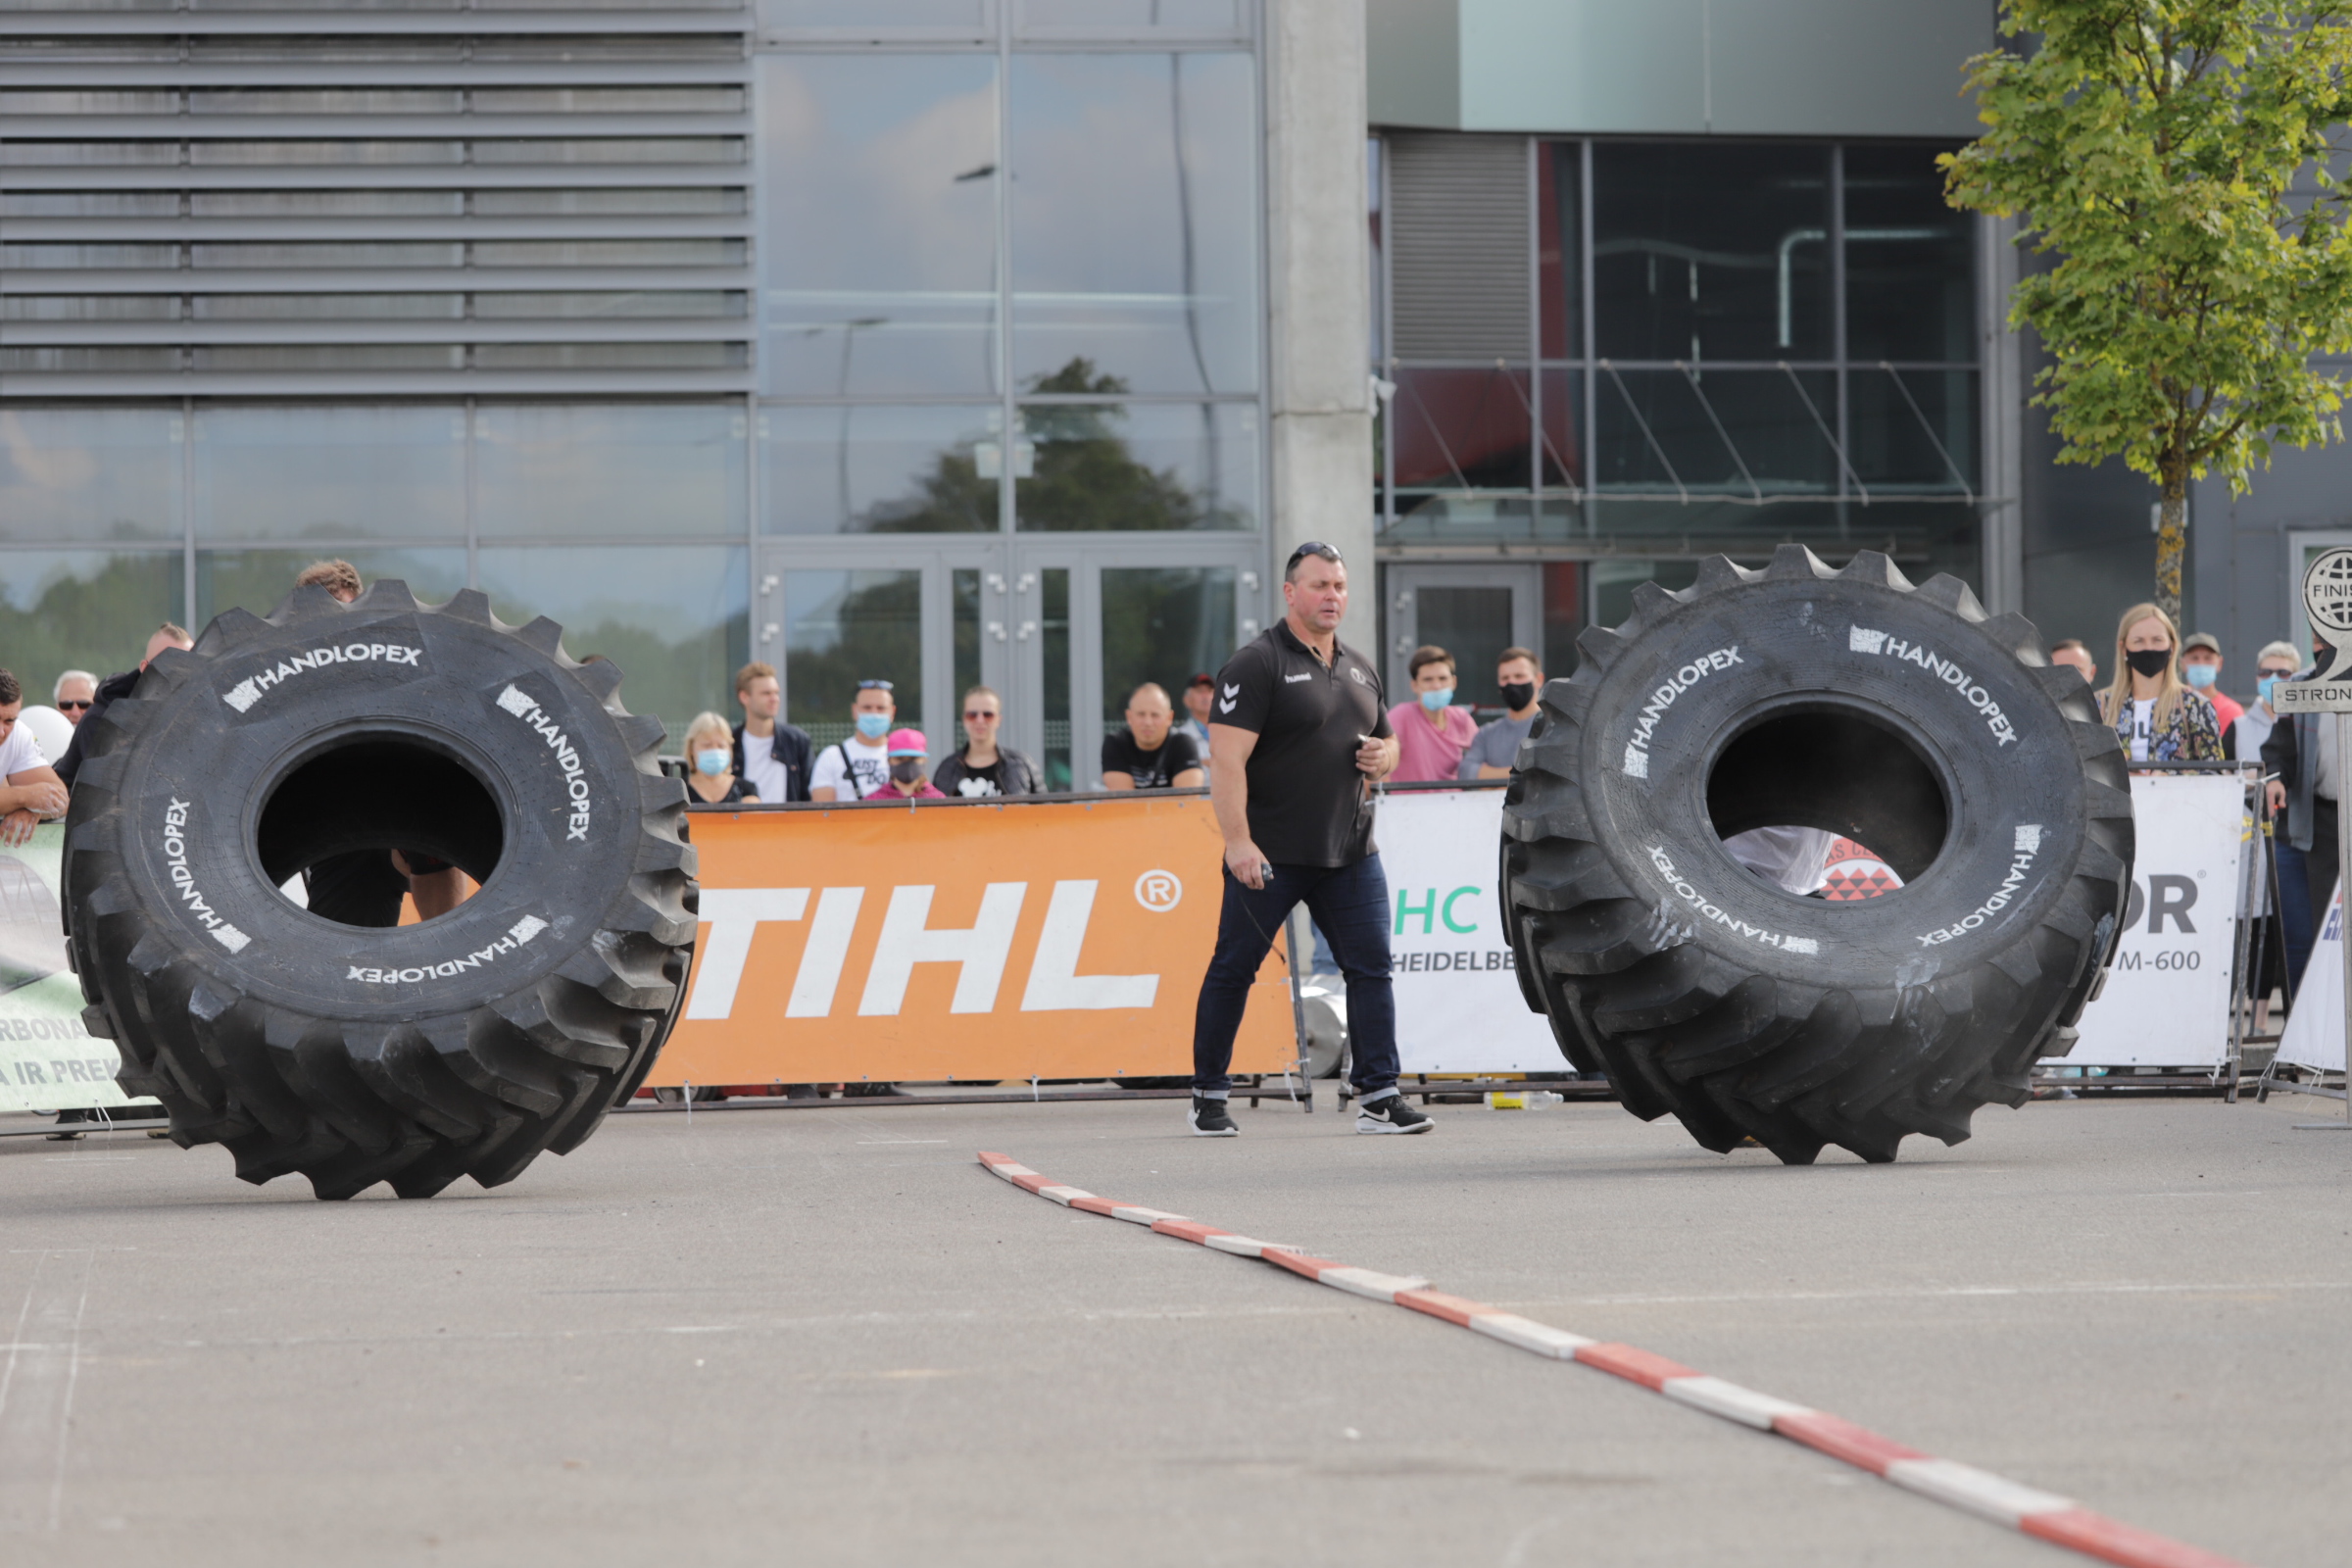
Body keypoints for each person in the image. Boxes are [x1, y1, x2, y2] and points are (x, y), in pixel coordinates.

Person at [1191, 539, 1430, 1138]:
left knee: (1371, 970)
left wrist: (1384, 756)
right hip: (1269, 854)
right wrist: (1238, 842)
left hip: (1350, 852)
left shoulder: (1359, 665)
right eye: (1320, 585)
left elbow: (1388, 742)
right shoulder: (1257, 663)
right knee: (1234, 969)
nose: (1332, 596)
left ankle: (1379, 1097)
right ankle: (1207, 1095)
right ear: (1290, 592)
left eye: (1339, 586)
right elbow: (1226, 762)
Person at [2264, 638, 2338, 990]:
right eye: (2317, 637)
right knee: (2309, 937)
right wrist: (2275, 779)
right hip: (2314, 821)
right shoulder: (2300, 686)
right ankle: (2306, 1017)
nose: (2321, 645)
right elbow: (2280, 749)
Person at [54, 623, 192, 789]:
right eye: (169, 666)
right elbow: (108, 790)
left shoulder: (191, 714)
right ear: (145, 668)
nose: (179, 676)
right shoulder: (104, 716)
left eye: (189, 667)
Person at [2098, 603, 2222, 762]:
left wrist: (2170, 774)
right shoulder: (2099, 706)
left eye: (2157, 640)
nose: (2149, 648)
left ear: (2172, 646)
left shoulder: (2196, 706)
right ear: (2123, 648)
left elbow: (2214, 770)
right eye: (2138, 641)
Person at [1387, 645, 1478, 783]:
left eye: (1443, 678)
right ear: (1414, 685)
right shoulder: (1400, 716)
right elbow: (1380, 763)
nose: (1436, 686)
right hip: (1410, 797)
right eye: (1428, 679)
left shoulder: (1461, 718)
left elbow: (1483, 758)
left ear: (1454, 682)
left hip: (1455, 797)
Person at [0, 670, 69, 849]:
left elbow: (60, 799)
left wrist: (33, 809)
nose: (1, 732)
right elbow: (33, 795)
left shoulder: (19, 734)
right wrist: (26, 797)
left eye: (9, 721)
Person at [934, 686, 1040, 798]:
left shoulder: (1020, 764)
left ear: (998, 720)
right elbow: (934, 807)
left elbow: (1045, 806)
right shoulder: (947, 768)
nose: (980, 720)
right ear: (964, 719)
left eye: (988, 715)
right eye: (972, 715)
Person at [729, 662, 811, 805]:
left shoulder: (797, 741)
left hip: (789, 819)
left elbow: (808, 796)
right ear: (744, 697)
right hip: (742, 819)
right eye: (766, 693)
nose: (774, 699)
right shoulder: (730, 742)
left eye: (776, 693)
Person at [1459, 646, 1544, 780]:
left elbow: (1547, 775)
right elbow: (1466, 773)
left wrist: (1490, 779)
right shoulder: (1486, 734)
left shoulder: (1554, 729)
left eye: (1519, 676)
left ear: (1538, 679)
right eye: (1505, 678)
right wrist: (1520, 775)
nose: (1511, 682)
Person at [1102, 683, 1204, 790]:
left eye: (1155, 715)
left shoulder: (1183, 744)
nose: (1148, 722)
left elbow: (1188, 797)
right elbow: (1121, 798)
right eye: (1141, 714)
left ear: (1169, 718)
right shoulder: (1116, 743)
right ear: (1129, 716)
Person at [810, 680, 896, 801]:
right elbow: (822, 809)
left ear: (892, 712)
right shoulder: (832, 756)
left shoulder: (905, 757)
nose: (874, 713)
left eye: (881, 708)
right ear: (855, 711)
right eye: (867, 707)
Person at [2228, 640, 2303, 763]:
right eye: (2265, 672)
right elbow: (2222, 771)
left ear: (2297, 678)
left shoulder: (2306, 727)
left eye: (2283, 673)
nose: (2273, 679)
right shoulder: (2238, 728)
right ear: (2257, 678)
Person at [682, 711, 757, 805]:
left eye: (721, 746)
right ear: (691, 749)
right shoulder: (680, 791)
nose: (715, 750)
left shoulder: (746, 790)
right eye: (707, 745)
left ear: (730, 749)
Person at [2180, 632, 2243, 734]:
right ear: (2182, 663)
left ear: (2220, 663)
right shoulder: (2172, 707)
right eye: (2194, 658)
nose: (2201, 664)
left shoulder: (2230, 711)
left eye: (2208, 658)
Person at [881, 729, 947, 800]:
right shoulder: (876, 800)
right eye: (900, 758)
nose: (907, 764)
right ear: (889, 760)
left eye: (913, 758)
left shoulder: (938, 800)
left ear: (924, 760)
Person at [1177, 673, 1216, 759]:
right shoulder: (1178, 738)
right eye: (1200, 691)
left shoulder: (1228, 733)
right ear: (1187, 700)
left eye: (1210, 691)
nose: (1206, 696)